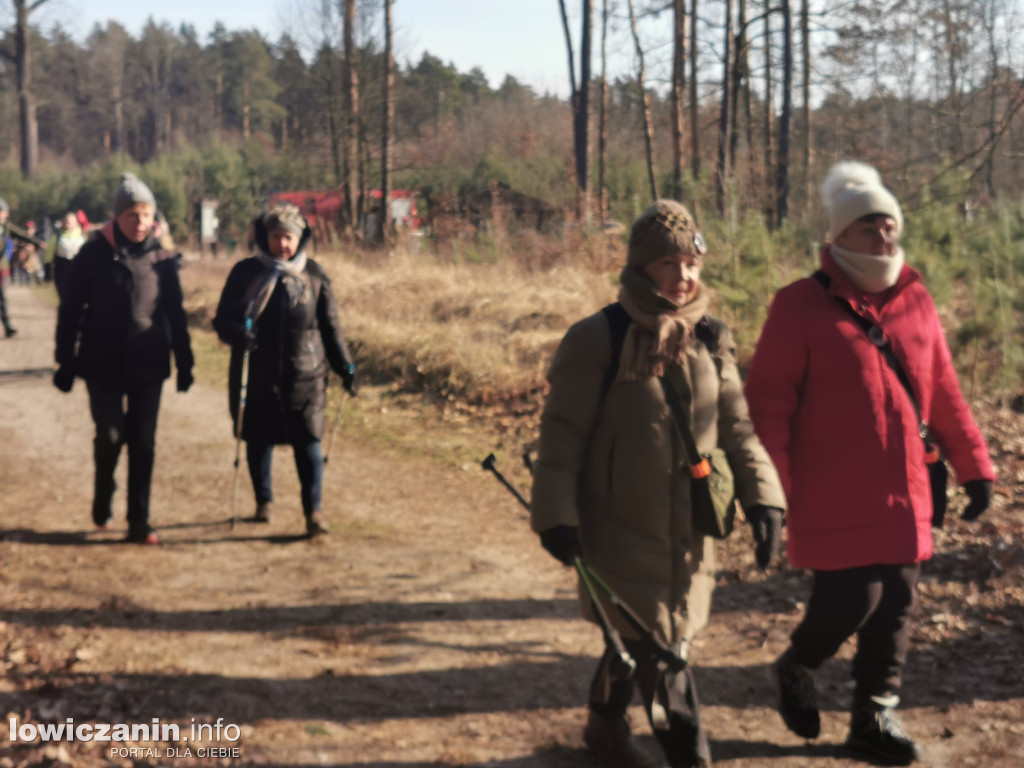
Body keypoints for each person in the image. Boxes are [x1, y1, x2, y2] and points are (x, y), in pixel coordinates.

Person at [744, 162, 995, 766]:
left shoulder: (916, 301)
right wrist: (768, 491)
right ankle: (799, 665)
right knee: (851, 600)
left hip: (907, 487)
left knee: (898, 605)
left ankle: (874, 715)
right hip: (831, 491)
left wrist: (975, 467)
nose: (883, 239)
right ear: (836, 238)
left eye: (889, 226)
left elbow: (943, 392)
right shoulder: (799, 305)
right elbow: (767, 406)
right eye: (867, 228)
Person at [530, 200, 786, 768]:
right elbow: (563, 434)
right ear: (642, 268)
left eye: (691, 263)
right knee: (664, 660)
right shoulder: (598, 338)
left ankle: (602, 731)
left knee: (639, 646)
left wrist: (765, 500)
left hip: (691, 535)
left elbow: (738, 430)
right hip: (618, 533)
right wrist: (556, 516)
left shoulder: (711, 341)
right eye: (669, 264)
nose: (684, 276)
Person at [53, 173, 195, 545]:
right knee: (112, 436)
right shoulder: (92, 254)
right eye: (132, 214)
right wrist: (65, 361)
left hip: (149, 363)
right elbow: (70, 310)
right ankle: (104, 496)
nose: (140, 222)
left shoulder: (162, 259)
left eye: (146, 215)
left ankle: (139, 520)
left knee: (144, 443)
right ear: (118, 217)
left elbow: (175, 314)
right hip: (102, 362)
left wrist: (186, 361)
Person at [213, 204, 357, 538]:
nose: (283, 245)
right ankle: (264, 501)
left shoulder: (315, 276)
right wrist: (237, 333)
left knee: (309, 441)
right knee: (257, 439)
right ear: (265, 237)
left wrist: (345, 366)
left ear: (300, 238)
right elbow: (222, 319)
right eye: (276, 237)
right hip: (256, 372)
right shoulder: (245, 273)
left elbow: (330, 327)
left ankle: (314, 512)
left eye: (289, 238)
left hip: (306, 375)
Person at [51, 210, 87, 297]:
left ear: (76, 223)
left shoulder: (82, 238)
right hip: (61, 268)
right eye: (65, 222)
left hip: (77, 268)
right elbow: (50, 252)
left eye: (69, 222)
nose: (67, 224)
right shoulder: (57, 237)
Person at [0, 198, 15, 338]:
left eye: (2, 212)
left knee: (2, 296)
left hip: (2, 268)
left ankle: (8, 325)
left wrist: (39, 243)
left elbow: (23, 235)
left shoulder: (8, 228)